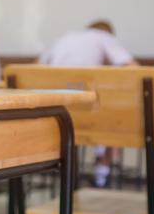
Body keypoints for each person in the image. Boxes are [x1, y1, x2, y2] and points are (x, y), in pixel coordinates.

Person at [39, 20, 137, 187]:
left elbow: (36, 67)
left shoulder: (65, 38)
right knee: (118, 116)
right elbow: (135, 70)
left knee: (95, 109)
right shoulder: (104, 37)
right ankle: (102, 171)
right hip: (85, 113)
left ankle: (73, 172)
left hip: (53, 115)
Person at [39, 20, 137, 67]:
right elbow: (133, 67)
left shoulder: (66, 36)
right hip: (83, 85)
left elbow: (37, 65)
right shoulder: (104, 36)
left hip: (52, 88)